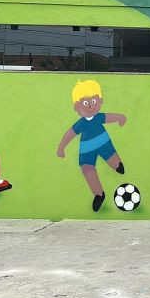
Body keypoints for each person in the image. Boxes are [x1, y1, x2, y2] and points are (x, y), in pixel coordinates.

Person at [57, 80, 126, 212]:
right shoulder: (80, 124)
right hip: (86, 150)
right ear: (76, 107)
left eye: (93, 101)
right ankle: (99, 194)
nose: (89, 106)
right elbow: (70, 134)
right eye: (85, 103)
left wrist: (120, 118)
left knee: (113, 159)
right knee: (87, 170)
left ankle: (117, 165)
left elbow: (110, 117)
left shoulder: (99, 117)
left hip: (104, 144)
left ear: (100, 101)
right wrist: (61, 148)